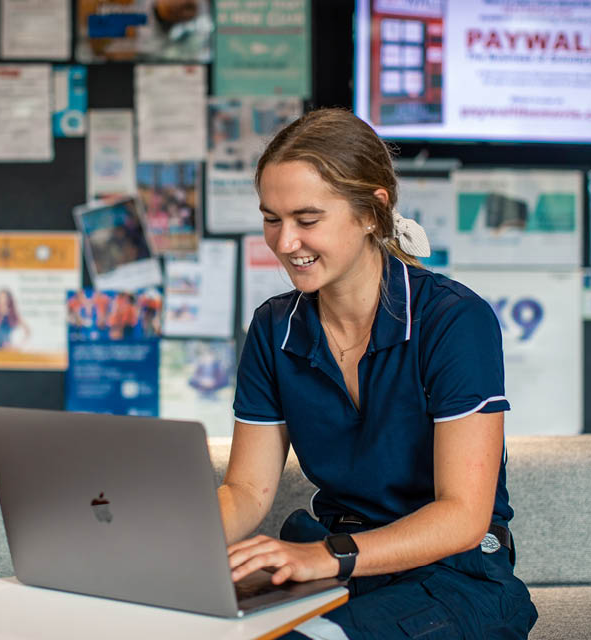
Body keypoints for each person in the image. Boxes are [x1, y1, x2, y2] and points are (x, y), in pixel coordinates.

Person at [218, 108, 537, 639]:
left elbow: (463, 515)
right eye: (272, 218)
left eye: (307, 219)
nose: (284, 241)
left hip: (454, 577)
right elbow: (247, 491)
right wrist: (166, 545)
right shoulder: (274, 327)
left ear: (373, 210)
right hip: (342, 570)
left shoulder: (453, 319)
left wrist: (324, 556)